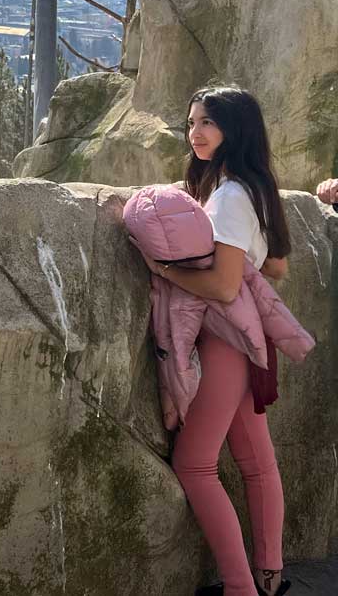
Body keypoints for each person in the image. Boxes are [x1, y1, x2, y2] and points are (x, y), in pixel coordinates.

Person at [135, 86, 292, 596]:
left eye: (206, 123)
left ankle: (242, 588)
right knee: (256, 462)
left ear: (234, 129)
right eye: (191, 123)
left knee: (195, 464)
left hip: (224, 342)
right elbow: (276, 265)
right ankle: (269, 579)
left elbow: (223, 287)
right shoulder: (254, 188)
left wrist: (164, 267)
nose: (194, 134)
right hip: (248, 340)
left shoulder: (228, 196)